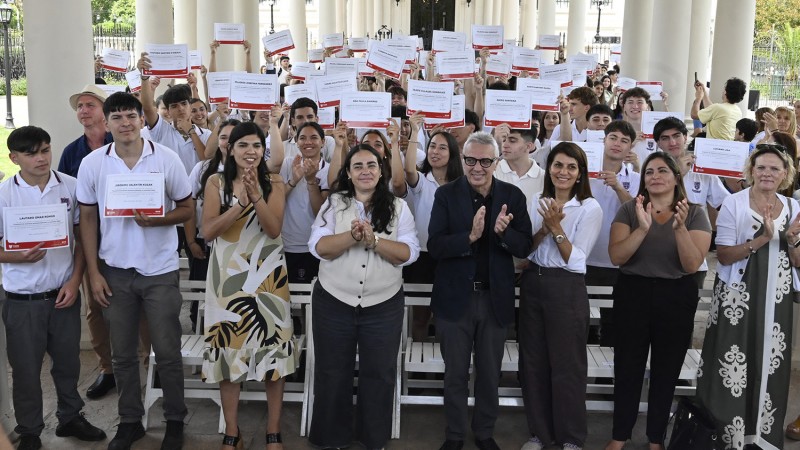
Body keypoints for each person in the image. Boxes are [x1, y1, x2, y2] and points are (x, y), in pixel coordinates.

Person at [77, 92, 193, 450]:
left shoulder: (166, 158)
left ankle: (175, 418)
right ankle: (130, 421)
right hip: (115, 272)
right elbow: (88, 218)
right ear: (106, 123)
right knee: (122, 353)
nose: (125, 123)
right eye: (117, 117)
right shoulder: (94, 163)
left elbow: (187, 208)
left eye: (131, 116)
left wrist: (161, 219)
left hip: (159, 270)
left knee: (168, 350)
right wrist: (94, 273)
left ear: (143, 120)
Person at [307, 144, 420, 450]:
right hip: (334, 300)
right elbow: (319, 248)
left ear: (381, 170)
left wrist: (375, 240)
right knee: (332, 371)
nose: (365, 171)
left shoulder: (399, 207)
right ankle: (333, 438)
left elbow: (409, 254)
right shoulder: (334, 204)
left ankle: (373, 439)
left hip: (383, 303)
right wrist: (353, 236)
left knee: (379, 372)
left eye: (371, 165)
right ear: (348, 173)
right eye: (357, 166)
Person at [0, 126, 106, 450]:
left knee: (68, 362)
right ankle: (30, 429)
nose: (41, 158)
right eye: (32, 153)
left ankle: (70, 416)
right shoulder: (4, 194)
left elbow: (82, 239)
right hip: (22, 298)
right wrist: (16, 256)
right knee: (26, 369)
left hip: (63, 293)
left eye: (45, 150)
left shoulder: (70, 186)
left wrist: (75, 282)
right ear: (14, 158)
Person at [428, 132, 533, 450]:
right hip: (454, 300)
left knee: (489, 374)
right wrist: (470, 237)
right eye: (471, 160)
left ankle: (485, 432)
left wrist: (503, 234)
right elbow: (435, 246)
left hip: (494, 300)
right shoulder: (445, 195)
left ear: (496, 162)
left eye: (486, 161)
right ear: (463, 159)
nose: (477, 167)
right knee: (455, 374)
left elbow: (525, 245)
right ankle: (455, 435)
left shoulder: (512, 196)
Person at [692, 144, 800, 449]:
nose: (767, 173)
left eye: (774, 169)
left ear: (785, 174)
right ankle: (727, 438)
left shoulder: (793, 208)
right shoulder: (734, 204)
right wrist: (763, 238)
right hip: (737, 298)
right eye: (761, 167)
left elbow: (798, 260)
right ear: (751, 171)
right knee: (732, 360)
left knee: (769, 364)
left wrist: (791, 241)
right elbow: (724, 255)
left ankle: (762, 438)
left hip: (775, 301)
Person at [605, 152, 711, 450]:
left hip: (676, 295)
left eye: (663, 170)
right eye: (649, 171)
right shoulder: (630, 209)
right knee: (627, 367)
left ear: (677, 177)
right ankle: (619, 434)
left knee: (666, 370)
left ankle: (655, 439)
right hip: (632, 293)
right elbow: (617, 256)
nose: (655, 176)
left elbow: (691, 265)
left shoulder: (694, 213)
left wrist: (678, 230)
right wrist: (642, 228)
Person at [200, 122, 295, 450]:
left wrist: (256, 197)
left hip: (268, 279)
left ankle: (273, 431)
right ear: (231, 149)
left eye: (257, 145)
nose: (250, 151)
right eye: (243, 145)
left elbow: (272, 229)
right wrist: (239, 203)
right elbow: (209, 231)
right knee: (229, 356)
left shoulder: (276, 182)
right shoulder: (215, 182)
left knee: (273, 358)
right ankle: (232, 430)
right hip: (227, 279)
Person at [518, 142, 603, 450]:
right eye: (558, 165)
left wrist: (556, 228)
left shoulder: (589, 207)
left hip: (566, 287)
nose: (563, 172)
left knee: (567, 365)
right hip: (533, 283)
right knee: (534, 362)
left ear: (580, 173)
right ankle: (539, 433)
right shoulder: (535, 200)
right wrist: (543, 229)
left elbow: (577, 260)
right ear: (549, 168)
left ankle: (571, 438)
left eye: (571, 167)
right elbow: (525, 249)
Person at [58, 84, 121, 400]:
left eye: (89, 105)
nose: (83, 111)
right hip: (90, 243)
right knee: (96, 308)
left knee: (133, 308)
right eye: (79, 106)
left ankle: (145, 367)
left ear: (104, 111)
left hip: (125, 240)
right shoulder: (72, 152)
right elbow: (66, 199)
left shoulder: (123, 142)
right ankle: (108, 369)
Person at [403, 122, 464, 340]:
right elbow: (409, 169)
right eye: (432, 146)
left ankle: (442, 368)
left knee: (445, 318)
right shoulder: (422, 181)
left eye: (442, 148)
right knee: (420, 317)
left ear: (453, 153)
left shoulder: (462, 185)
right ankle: (420, 364)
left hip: (450, 256)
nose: (434, 152)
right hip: (423, 256)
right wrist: (415, 132)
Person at [653, 116, 729, 285]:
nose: (672, 142)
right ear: (658, 143)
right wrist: (678, 174)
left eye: (677, 136)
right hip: (657, 257)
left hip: (694, 257)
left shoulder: (702, 168)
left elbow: (725, 204)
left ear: (685, 137)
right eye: (665, 138)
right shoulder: (651, 169)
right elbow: (651, 202)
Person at [585, 120, 640, 346]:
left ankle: (606, 376)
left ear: (630, 148)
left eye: (624, 141)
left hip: (617, 262)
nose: (618, 144)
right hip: (585, 258)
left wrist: (619, 187)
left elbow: (637, 215)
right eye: (613, 138)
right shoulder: (584, 172)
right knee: (582, 323)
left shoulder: (636, 178)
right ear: (604, 140)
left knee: (613, 324)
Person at [280, 121, 331, 283]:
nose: (308, 142)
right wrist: (293, 180)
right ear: (296, 141)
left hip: (318, 244)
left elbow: (320, 212)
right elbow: (275, 201)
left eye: (314, 137)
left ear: (323, 142)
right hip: (289, 244)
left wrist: (311, 181)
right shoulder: (288, 164)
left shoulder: (329, 169)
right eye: (302, 138)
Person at [492, 124, 545, 205]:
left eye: (512, 141)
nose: (505, 145)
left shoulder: (543, 178)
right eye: (504, 140)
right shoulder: (493, 171)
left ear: (528, 146)